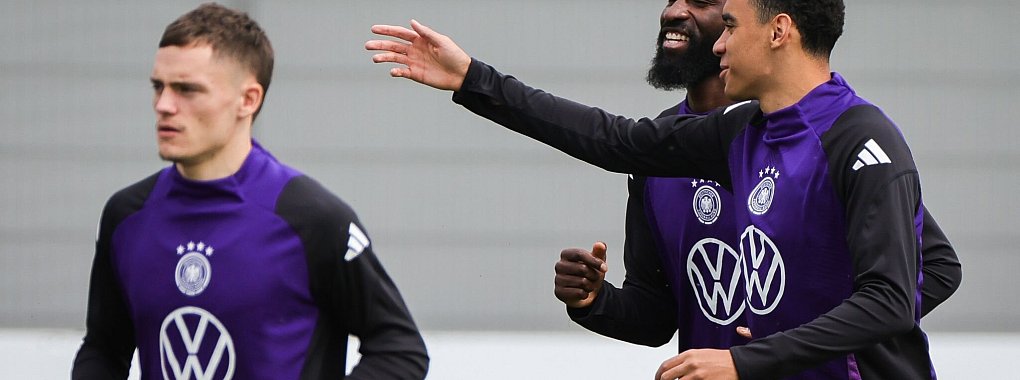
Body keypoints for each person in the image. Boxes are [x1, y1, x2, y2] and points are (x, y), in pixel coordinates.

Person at [365, 0, 961, 378]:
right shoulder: (739, 130)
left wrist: (758, 356)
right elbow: (616, 140)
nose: (720, 42)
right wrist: (473, 79)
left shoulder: (862, 137)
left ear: (779, 30)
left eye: (729, 23)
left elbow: (894, 297)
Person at [73, 4, 428, 379]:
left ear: (248, 100)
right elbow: (103, 348)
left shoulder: (311, 219)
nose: (164, 105)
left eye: (187, 89)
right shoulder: (127, 216)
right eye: (158, 87)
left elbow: (399, 349)